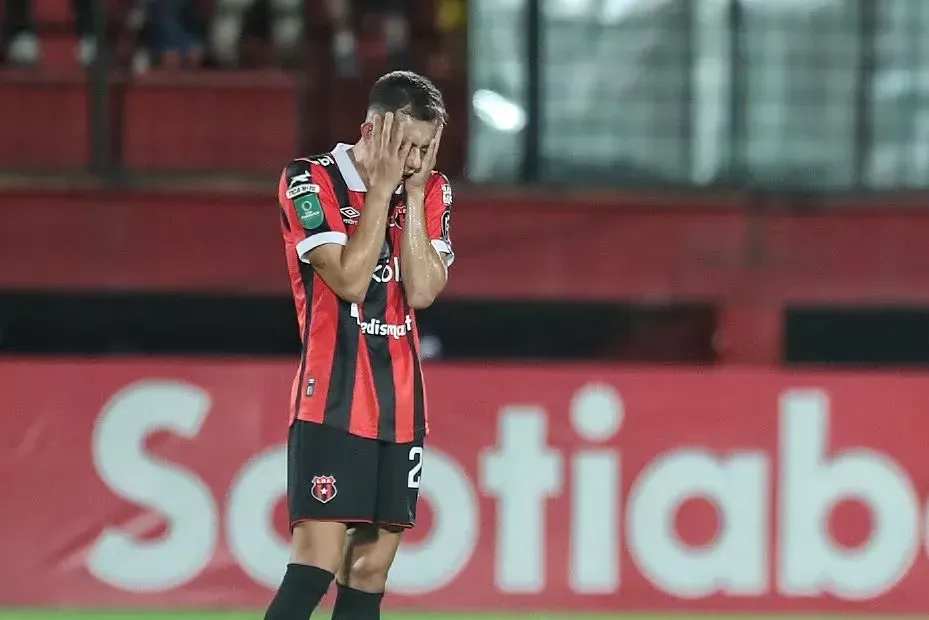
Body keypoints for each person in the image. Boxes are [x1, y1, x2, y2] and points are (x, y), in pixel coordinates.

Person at [266, 70, 453, 620]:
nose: (416, 159)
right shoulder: (309, 179)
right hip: (333, 394)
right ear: (374, 128)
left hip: (401, 404)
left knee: (370, 568)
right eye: (407, 145)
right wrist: (380, 189)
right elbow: (348, 280)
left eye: (426, 147)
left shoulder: (433, 190)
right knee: (318, 562)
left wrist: (412, 192)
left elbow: (421, 290)